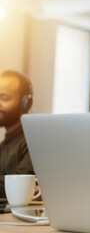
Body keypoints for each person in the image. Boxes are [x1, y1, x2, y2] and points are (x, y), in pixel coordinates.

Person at [0, 70, 35, 198]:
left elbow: (20, 187)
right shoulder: (3, 145)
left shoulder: (33, 142)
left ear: (25, 103)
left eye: (4, 98)